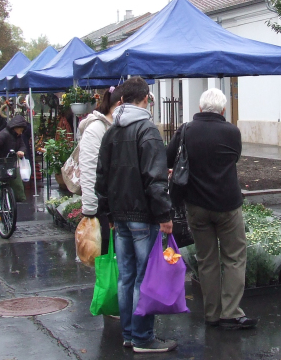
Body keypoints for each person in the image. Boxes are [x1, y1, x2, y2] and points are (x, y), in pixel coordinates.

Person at [95, 77, 177, 354]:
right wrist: (165, 215)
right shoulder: (147, 130)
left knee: (126, 277)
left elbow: (102, 177)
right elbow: (155, 179)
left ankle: (129, 334)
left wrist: (107, 211)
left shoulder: (111, 132)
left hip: (120, 216)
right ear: (145, 98)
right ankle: (143, 338)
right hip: (142, 216)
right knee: (144, 277)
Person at [166, 88, 257, 330]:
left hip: (196, 206)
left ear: (200, 108)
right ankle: (231, 312)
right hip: (227, 205)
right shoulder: (232, 132)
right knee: (235, 257)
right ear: (223, 110)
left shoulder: (185, 130)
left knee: (206, 260)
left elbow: (167, 158)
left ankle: (212, 314)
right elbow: (234, 158)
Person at [79, 86, 123, 254]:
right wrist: (91, 210)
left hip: (114, 207)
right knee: (105, 254)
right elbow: (89, 169)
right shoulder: (96, 129)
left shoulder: (115, 127)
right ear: (120, 104)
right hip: (102, 208)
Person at [0, 114, 28, 201]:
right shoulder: (4, 134)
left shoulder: (17, 136)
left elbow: (23, 146)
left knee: (16, 185)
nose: (21, 133)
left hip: (10, 163)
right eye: (21, 130)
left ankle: (13, 200)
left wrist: (22, 151)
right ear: (15, 127)